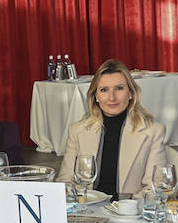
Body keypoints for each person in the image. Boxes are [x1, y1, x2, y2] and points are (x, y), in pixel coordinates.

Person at [57, 60, 167, 197]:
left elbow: (155, 189)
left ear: (131, 93)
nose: (111, 97)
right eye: (104, 90)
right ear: (96, 96)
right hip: (87, 208)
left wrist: (124, 206)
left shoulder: (153, 131)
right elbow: (66, 181)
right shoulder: (77, 131)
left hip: (130, 210)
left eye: (119, 88)